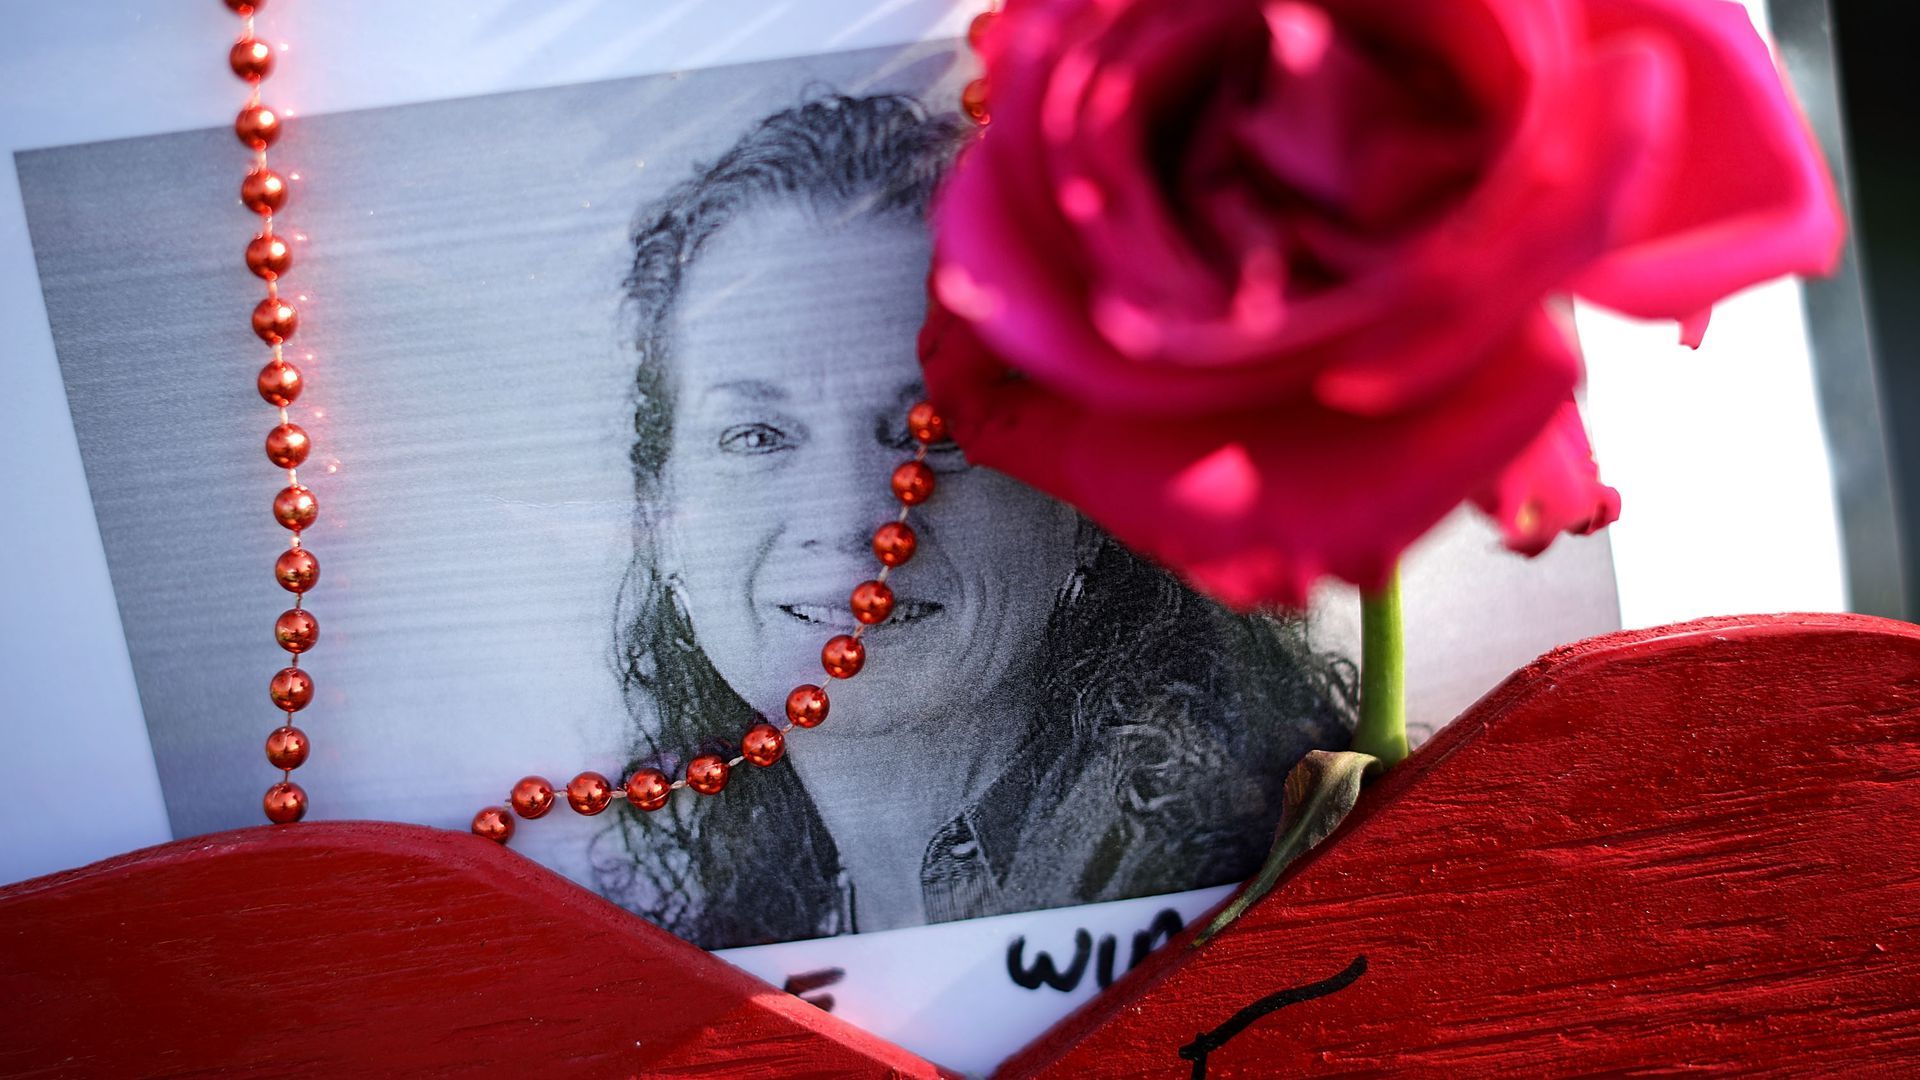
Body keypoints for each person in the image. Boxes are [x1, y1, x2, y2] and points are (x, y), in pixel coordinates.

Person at [590, 92, 1356, 950]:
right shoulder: (729, 932)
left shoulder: (1236, 875)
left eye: (935, 433)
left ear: (1085, 497)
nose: (847, 521)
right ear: (660, 516)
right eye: (756, 436)